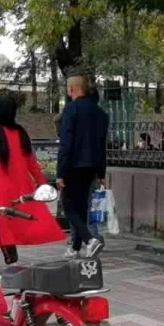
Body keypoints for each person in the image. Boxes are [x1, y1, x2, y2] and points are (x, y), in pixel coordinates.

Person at [0, 94, 62, 258]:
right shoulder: (21, 133)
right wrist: (42, 185)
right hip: (21, 187)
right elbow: (32, 164)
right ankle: (5, 253)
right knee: (12, 222)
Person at [55, 76, 108, 259]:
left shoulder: (71, 109)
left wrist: (60, 172)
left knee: (68, 206)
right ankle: (75, 248)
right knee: (81, 208)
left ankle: (89, 240)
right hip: (91, 166)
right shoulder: (101, 114)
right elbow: (102, 145)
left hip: (73, 165)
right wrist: (101, 172)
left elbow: (66, 143)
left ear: (72, 89)